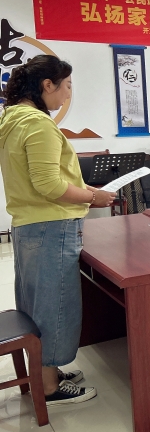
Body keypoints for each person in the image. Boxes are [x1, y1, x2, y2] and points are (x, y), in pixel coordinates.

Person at [0, 55, 116, 405]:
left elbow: (41, 180)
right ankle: (49, 387)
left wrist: (87, 192)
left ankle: (44, 372)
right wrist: (94, 197)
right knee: (56, 305)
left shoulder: (11, 119)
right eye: (66, 86)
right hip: (51, 225)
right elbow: (49, 185)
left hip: (28, 224)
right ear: (46, 85)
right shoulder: (38, 124)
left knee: (37, 302)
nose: (68, 95)